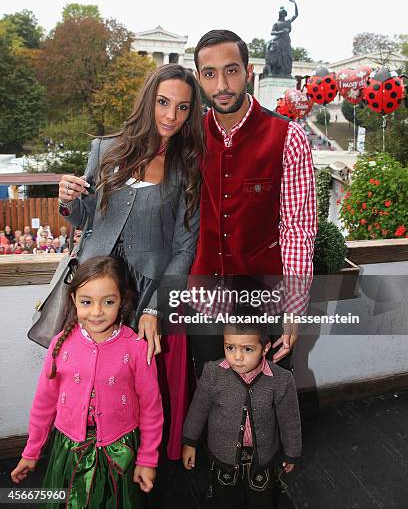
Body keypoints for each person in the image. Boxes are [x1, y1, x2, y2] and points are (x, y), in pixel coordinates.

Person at [53, 63, 204, 460]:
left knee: (131, 398)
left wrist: (156, 307)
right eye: (163, 103)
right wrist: (67, 200)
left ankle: (132, 471)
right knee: (84, 387)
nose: (171, 116)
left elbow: (184, 248)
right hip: (94, 291)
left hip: (145, 296)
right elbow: (85, 217)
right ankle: (80, 467)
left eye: (183, 108)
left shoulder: (188, 168)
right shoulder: (105, 149)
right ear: (148, 100)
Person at [189, 30, 317, 376]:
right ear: (199, 78)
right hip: (205, 301)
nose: (222, 85)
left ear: (249, 71)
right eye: (210, 74)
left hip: (267, 303)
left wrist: (294, 307)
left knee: (266, 409)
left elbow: (298, 228)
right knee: (211, 403)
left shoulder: (288, 137)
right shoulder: (192, 137)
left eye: (231, 70)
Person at [11, 256, 163, 507]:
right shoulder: (60, 345)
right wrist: (31, 452)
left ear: (122, 301)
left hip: (120, 452)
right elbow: (43, 404)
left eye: (108, 302)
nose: (97, 312)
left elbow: (151, 408)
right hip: (68, 452)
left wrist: (147, 460)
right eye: (86, 302)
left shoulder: (137, 348)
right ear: (73, 300)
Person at [182, 322, 301, 509]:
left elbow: (290, 420)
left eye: (247, 349)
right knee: (225, 499)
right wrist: (189, 442)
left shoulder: (281, 380)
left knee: (262, 499)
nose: (237, 357)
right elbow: (198, 409)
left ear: (265, 348)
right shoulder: (213, 373)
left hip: (262, 458)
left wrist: (292, 453)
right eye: (230, 347)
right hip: (223, 456)